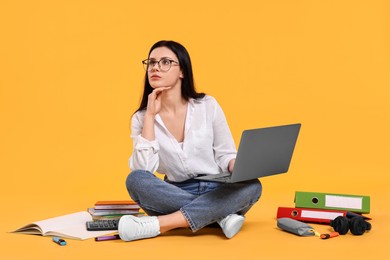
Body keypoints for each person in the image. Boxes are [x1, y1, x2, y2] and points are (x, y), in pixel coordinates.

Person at [118, 40, 262, 242]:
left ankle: (160, 224)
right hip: (174, 191)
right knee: (135, 180)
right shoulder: (141, 118)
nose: (156, 67)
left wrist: (236, 166)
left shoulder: (207, 105)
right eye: (151, 62)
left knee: (253, 185)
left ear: (182, 72)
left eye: (166, 62)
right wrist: (150, 116)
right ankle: (221, 216)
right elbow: (144, 169)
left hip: (217, 187)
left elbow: (225, 153)